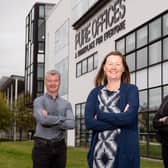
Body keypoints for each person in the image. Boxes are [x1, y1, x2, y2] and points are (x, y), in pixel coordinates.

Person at [85, 51, 140, 168]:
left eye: (118, 64)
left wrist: (100, 115)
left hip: (124, 156)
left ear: (123, 68)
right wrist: (120, 119)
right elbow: (89, 122)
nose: (113, 67)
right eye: (110, 64)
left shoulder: (131, 90)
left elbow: (129, 118)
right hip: (99, 155)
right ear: (104, 68)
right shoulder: (95, 93)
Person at [32, 70, 75, 168]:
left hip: (60, 147)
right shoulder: (38, 101)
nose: (52, 83)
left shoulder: (66, 104)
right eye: (50, 81)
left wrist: (49, 117)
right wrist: (63, 119)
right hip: (41, 148)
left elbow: (71, 124)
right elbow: (43, 120)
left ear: (59, 82)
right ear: (46, 82)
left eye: (55, 81)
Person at [153, 95, 168, 168]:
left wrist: (162, 121)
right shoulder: (166, 99)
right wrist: (162, 121)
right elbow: (155, 122)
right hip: (165, 142)